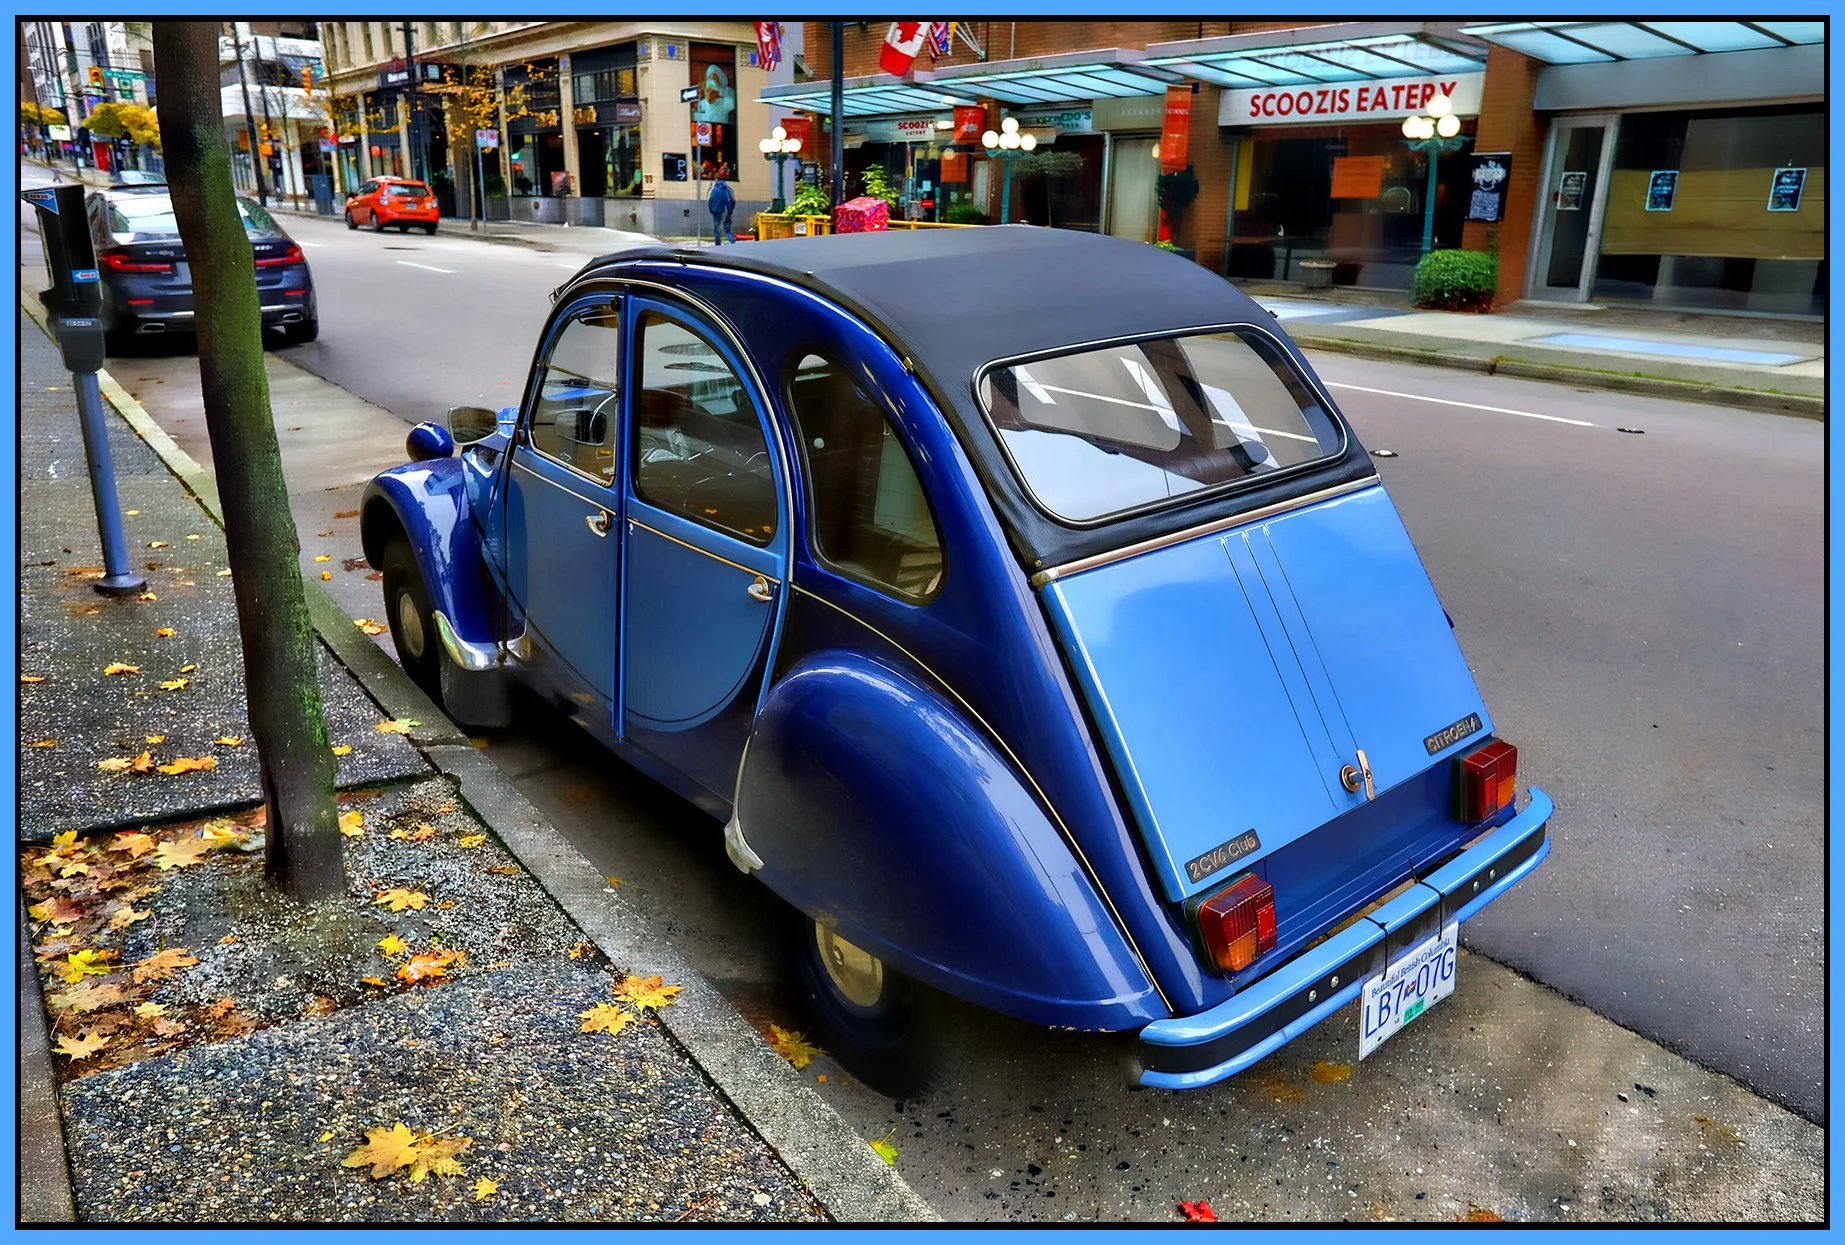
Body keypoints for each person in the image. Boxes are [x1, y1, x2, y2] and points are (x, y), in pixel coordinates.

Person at [708, 176, 735, 244]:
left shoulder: (714, 190)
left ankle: (718, 243)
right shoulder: (729, 189)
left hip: (717, 211)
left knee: (717, 227)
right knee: (728, 228)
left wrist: (711, 210)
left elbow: (710, 201)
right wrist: (730, 210)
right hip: (727, 210)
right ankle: (731, 241)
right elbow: (732, 200)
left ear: (716, 180)